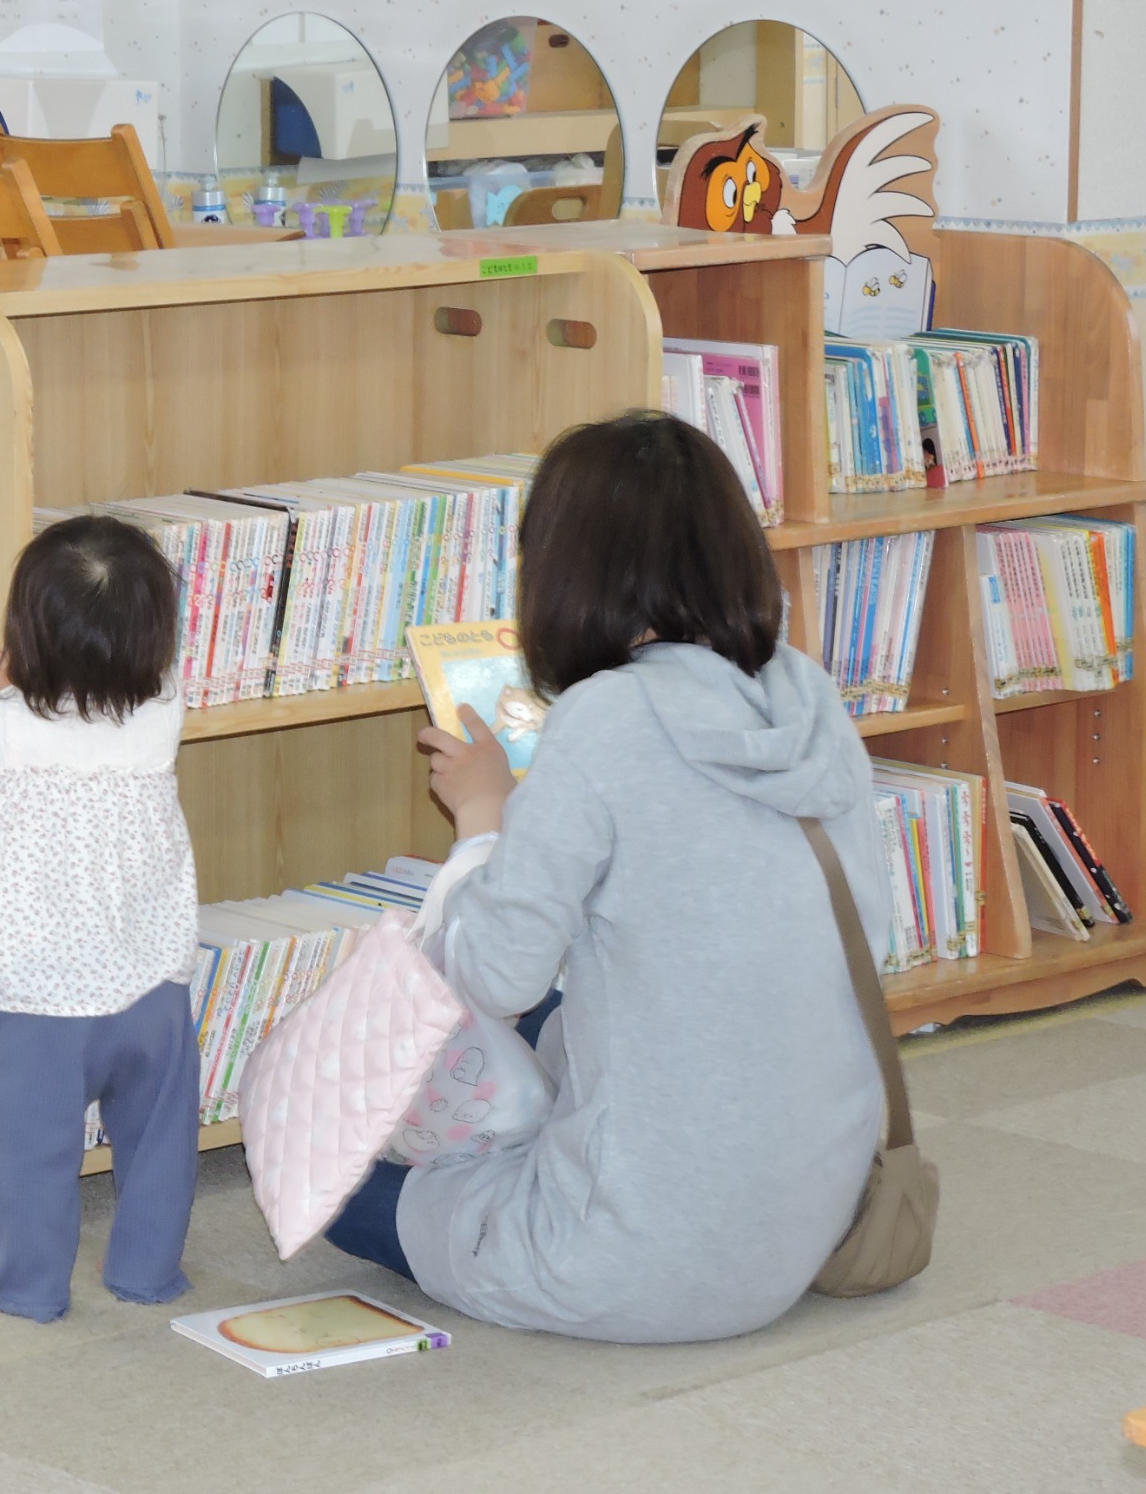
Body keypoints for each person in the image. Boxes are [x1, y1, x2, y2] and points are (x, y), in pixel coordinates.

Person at [325, 410, 891, 1343]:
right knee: (570, 1016)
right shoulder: (807, 692)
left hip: (624, 1263)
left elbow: (494, 975)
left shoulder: (603, 719)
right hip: (809, 1232)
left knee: (325, 1169)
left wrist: (481, 821)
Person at [0, 515, 201, 1323]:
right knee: (159, 1140)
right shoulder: (164, 714)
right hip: (151, 983)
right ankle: (147, 1272)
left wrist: (1, 691)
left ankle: (31, 1285)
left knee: (31, 1152)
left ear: (25, 632)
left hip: (37, 999)